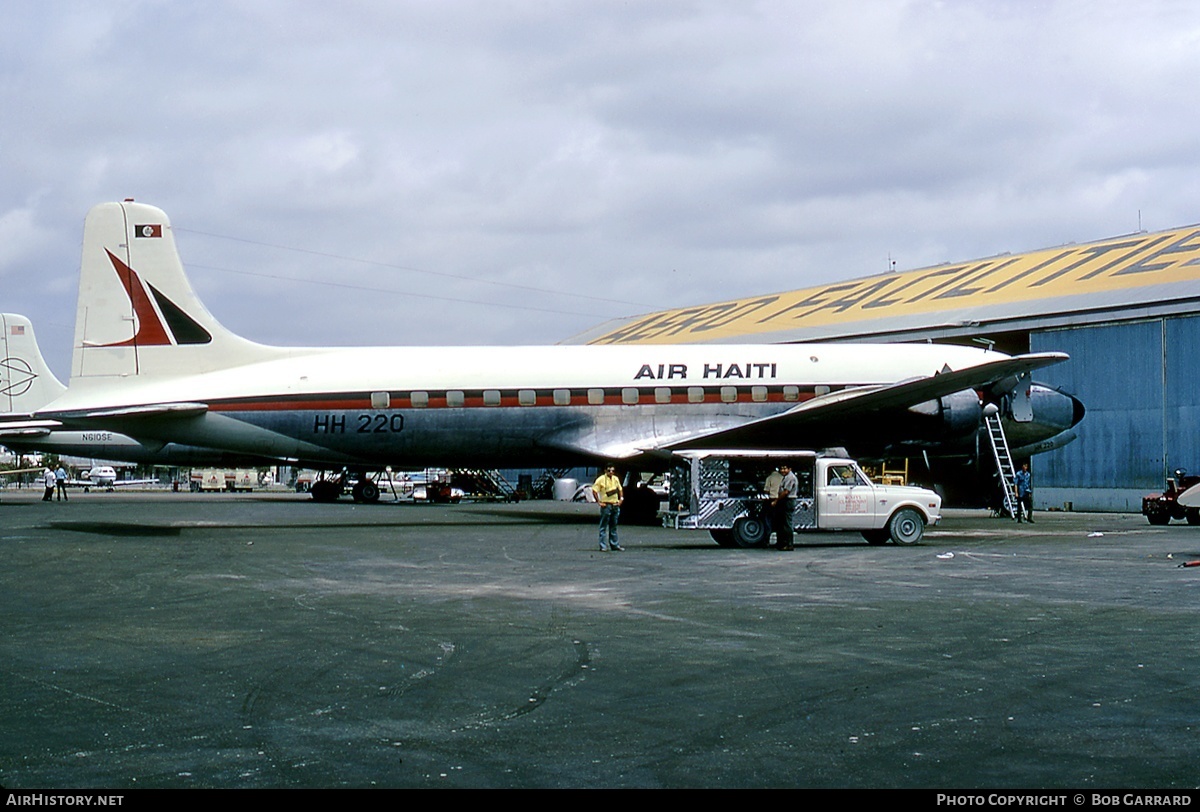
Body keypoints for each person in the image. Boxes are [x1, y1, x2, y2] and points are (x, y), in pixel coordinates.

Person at [592, 464, 624, 552]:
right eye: (609, 470)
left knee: (613, 526)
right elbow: (594, 490)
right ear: (605, 471)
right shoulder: (601, 479)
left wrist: (621, 499)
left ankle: (615, 545)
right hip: (606, 505)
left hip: (615, 504)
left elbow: (620, 489)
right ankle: (603, 546)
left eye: (613, 471)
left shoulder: (615, 479)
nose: (611, 472)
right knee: (603, 526)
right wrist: (599, 502)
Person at [773, 464, 798, 551]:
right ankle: (782, 543)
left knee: (787, 523)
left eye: (785, 468)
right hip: (785, 501)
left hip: (788, 501)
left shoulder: (790, 478)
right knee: (782, 523)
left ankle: (789, 544)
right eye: (781, 468)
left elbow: (786, 492)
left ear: (789, 469)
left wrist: (776, 500)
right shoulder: (786, 477)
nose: (783, 470)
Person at [764, 465, 784, 541]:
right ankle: (780, 539)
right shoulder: (782, 477)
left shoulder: (769, 478)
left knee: (768, 519)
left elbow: (766, 490)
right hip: (780, 499)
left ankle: (767, 538)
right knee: (779, 520)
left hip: (771, 500)